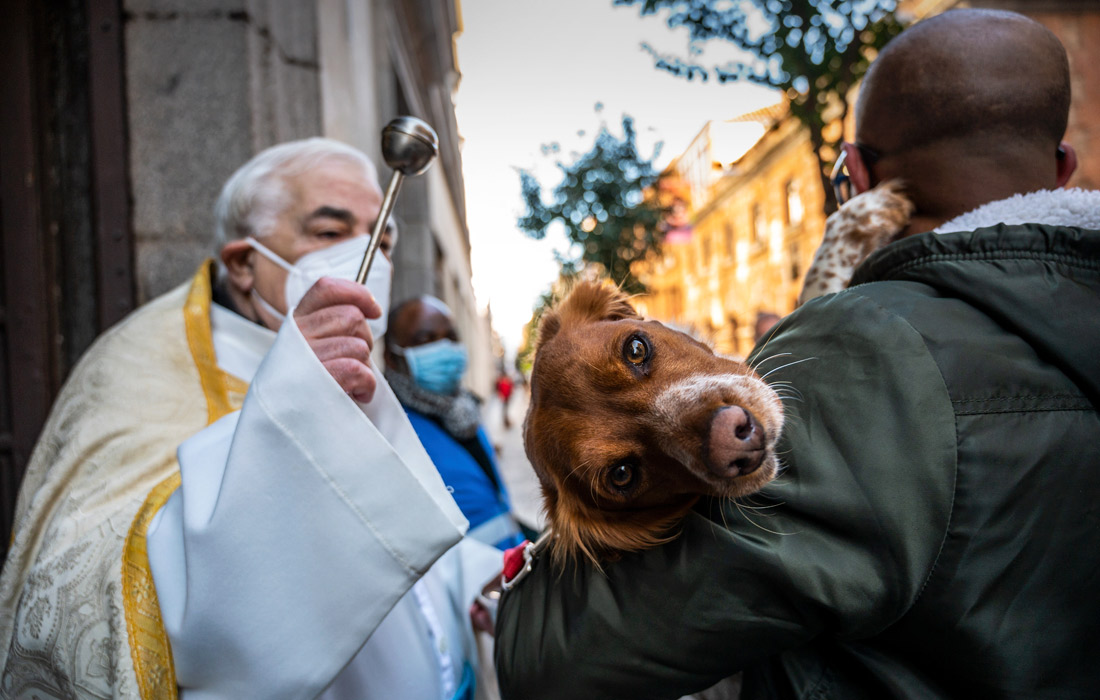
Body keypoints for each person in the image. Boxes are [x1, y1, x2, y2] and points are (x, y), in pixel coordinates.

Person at [495, 9, 1100, 699]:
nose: (720, 431)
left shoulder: (865, 353)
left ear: (855, 174)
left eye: (638, 349)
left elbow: (536, 661)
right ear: (1062, 169)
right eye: (624, 473)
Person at [0, 138, 500, 699]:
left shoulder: (359, 363)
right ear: (243, 263)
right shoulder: (141, 363)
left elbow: (387, 542)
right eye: (330, 233)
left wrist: (477, 578)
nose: (369, 258)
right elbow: (105, 580)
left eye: (381, 240)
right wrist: (292, 411)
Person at [384, 296, 525, 550]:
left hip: (510, 561)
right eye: (425, 339)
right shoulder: (387, 432)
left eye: (451, 337)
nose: (445, 348)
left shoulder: (465, 410)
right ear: (391, 357)